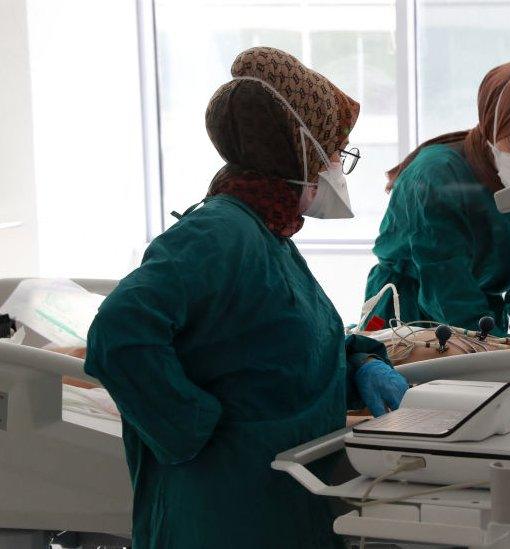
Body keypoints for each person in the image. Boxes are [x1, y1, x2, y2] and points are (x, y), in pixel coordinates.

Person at [84, 47, 408, 549]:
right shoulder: (220, 232)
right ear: (299, 151)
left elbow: (278, 350)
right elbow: (119, 333)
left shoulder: (265, 235)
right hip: (225, 507)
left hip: (274, 501)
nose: (338, 168)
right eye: (336, 151)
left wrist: (358, 365)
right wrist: (194, 430)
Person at [364, 61, 510, 340]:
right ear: (491, 127)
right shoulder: (436, 177)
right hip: (406, 311)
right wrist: (497, 345)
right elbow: (446, 282)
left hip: (480, 312)